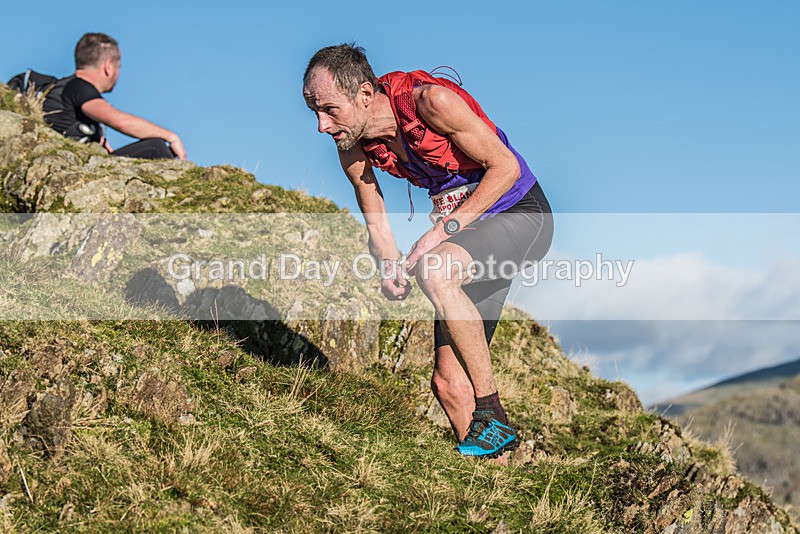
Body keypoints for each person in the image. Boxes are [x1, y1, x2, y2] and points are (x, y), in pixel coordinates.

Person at [303, 44, 553, 459]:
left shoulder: (431, 102)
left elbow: (505, 167)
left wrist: (443, 231)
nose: (321, 125)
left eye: (329, 109)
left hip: (523, 215)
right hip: (473, 237)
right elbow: (375, 214)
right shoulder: (350, 140)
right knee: (449, 385)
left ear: (366, 94)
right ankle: (498, 480)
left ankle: (492, 413)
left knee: (436, 271)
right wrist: (388, 264)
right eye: (313, 110)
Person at [44, 33, 186, 160]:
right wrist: (171, 137)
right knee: (156, 147)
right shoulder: (80, 88)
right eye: (119, 67)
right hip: (75, 168)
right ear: (109, 66)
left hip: (74, 162)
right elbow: (119, 121)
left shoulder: (67, 88)